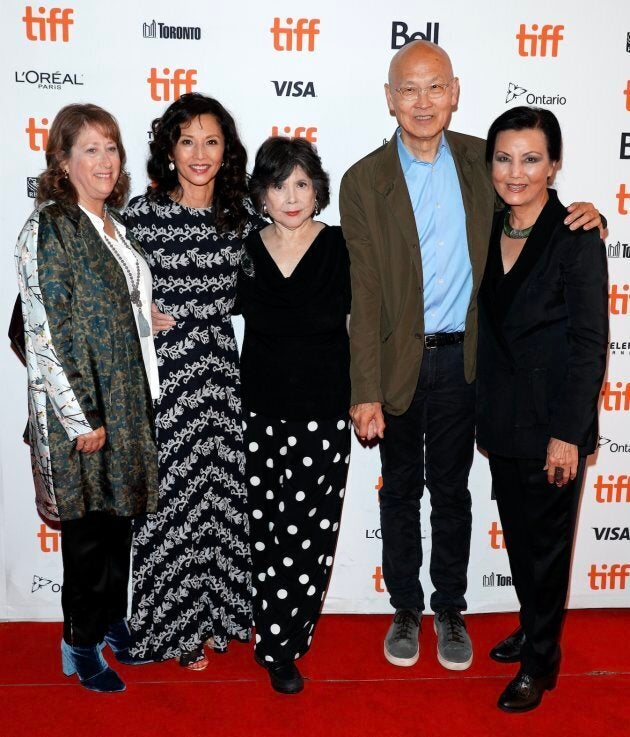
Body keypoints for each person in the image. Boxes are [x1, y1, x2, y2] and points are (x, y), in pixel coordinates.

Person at [339, 40, 603, 672]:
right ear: (389, 98)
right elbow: (366, 293)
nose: (423, 102)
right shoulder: (361, 181)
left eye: (436, 88)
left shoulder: (480, 163)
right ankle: (406, 606)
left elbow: (532, 204)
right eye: (409, 89)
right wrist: (364, 388)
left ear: (455, 92)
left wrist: (585, 213)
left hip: (467, 365)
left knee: (452, 492)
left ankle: (450, 606)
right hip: (398, 364)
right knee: (399, 490)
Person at [14, 103, 159, 693]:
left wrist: (150, 321)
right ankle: (78, 643)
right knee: (89, 535)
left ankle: (110, 621)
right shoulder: (51, 226)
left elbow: (116, 313)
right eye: (90, 149)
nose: (105, 160)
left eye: (111, 148)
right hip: (84, 411)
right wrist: (81, 417)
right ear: (62, 161)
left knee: (119, 520)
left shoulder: (111, 228)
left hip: (125, 403)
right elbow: (44, 329)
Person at [476, 106, 608, 712]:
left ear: (554, 165)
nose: (516, 171)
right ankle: (534, 627)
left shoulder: (577, 236)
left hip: (553, 425)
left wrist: (568, 434)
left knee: (548, 547)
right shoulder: (489, 227)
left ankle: (541, 664)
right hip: (501, 420)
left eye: (531, 158)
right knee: (523, 542)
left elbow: (589, 343)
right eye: (504, 158)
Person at [125, 93, 257, 670]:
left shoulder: (245, 217)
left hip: (224, 375)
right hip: (166, 374)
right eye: (187, 141)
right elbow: (104, 291)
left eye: (211, 141)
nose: (199, 154)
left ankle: (217, 618)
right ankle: (172, 628)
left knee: (219, 497)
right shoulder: (139, 217)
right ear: (169, 151)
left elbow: (297, 259)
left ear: (226, 150)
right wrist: (136, 309)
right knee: (171, 501)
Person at [238, 137, 351, 694]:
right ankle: (268, 625)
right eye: (279, 184)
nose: (290, 196)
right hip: (255, 412)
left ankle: (283, 643)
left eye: (302, 183)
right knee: (262, 529)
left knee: (307, 533)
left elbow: (372, 318)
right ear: (261, 191)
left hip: (322, 413)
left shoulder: (340, 248)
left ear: (317, 190)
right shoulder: (244, 249)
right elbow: (202, 302)